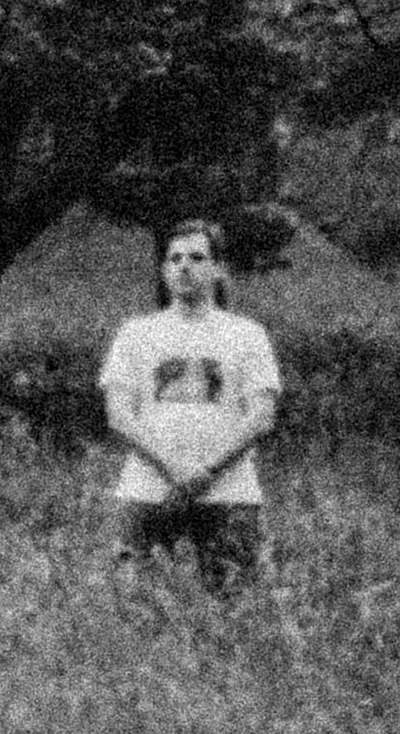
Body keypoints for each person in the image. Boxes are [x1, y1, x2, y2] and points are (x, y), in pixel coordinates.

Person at [100, 217, 281, 587]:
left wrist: (208, 471)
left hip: (228, 494)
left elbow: (261, 417)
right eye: (176, 258)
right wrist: (173, 466)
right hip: (147, 492)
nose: (184, 266)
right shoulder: (136, 334)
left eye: (197, 258)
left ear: (218, 269)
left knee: (236, 611)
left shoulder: (247, 335)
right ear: (164, 269)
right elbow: (118, 415)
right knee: (134, 610)